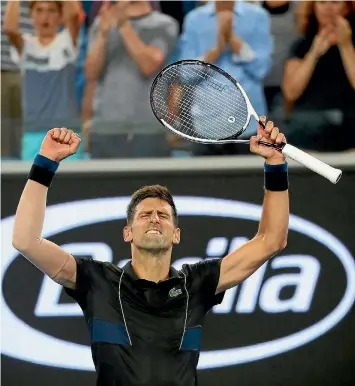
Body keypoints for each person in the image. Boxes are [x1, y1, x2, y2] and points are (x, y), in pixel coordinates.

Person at [12, 119, 289, 386]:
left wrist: (275, 164)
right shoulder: (97, 281)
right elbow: (26, 241)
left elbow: (271, 240)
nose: (155, 219)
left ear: (176, 235)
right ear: (127, 233)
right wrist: (45, 162)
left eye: (163, 215)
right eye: (145, 215)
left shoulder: (196, 283)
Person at [83, 1, 179, 158]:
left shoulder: (164, 24)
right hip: (106, 128)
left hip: (148, 129)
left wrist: (123, 25)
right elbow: (91, 73)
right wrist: (103, 34)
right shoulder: (101, 23)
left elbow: (148, 64)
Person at [178, 0, 273, 156]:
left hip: (248, 126)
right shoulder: (194, 19)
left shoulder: (257, 16)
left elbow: (262, 69)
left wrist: (233, 39)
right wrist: (217, 50)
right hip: (206, 124)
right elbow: (185, 74)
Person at [4, 0, 82, 161]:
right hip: (33, 132)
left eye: (51, 11)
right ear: (31, 16)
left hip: (67, 132)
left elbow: (74, 14)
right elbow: (10, 29)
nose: (44, 16)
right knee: (36, 184)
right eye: (39, 11)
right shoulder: (25, 46)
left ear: (60, 16)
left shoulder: (67, 41)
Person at [282, 1, 355, 151]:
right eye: (322, 2)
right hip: (309, 128)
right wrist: (314, 53)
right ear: (313, 8)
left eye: (335, 2)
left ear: (347, 7)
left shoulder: (352, 44)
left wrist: (345, 46)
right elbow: (291, 93)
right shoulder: (301, 45)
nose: (328, 7)